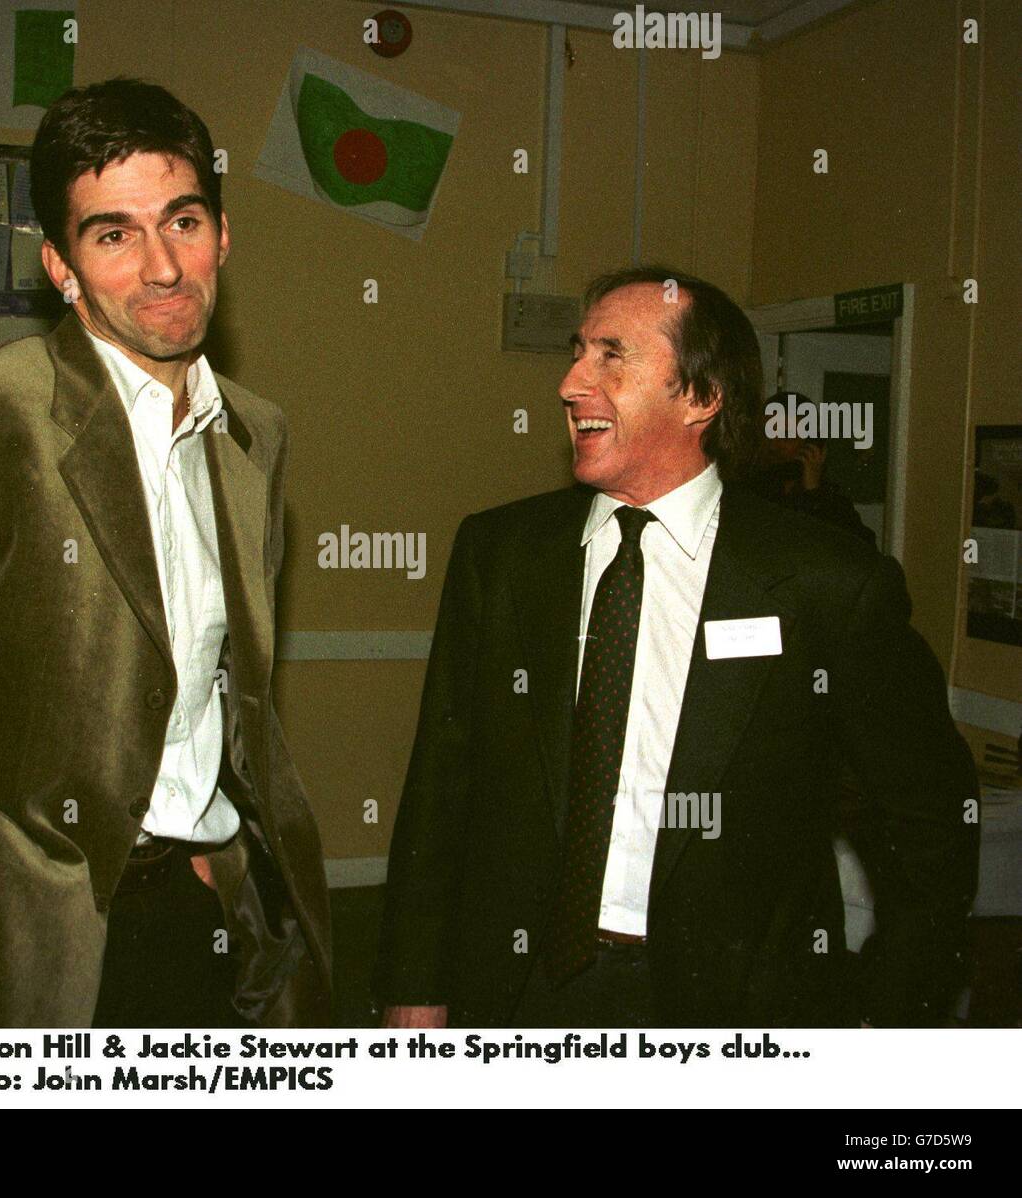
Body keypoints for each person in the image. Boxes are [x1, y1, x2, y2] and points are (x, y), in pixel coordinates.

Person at [0, 78, 330, 1028]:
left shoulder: (255, 433)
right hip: (34, 938)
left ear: (224, 234)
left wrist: (220, 857)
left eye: (184, 221)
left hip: (206, 905)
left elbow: (219, 693)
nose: (164, 267)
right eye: (114, 235)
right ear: (61, 266)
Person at [375, 265, 979, 1028]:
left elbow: (931, 823)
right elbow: (438, 791)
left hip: (731, 1009)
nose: (569, 383)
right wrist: (413, 990)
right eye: (575, 352)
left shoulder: (825, 582)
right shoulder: (500, 554)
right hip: (518, 990)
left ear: (700, 396)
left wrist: (889, 1019)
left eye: (610, 356)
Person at [742, 390, 877, 547]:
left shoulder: (830, 503)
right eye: (768, 435)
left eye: (786, 436)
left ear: (810, 444)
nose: (773, 446)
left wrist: (814, 493)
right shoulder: (744, 492)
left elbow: (860, 551)